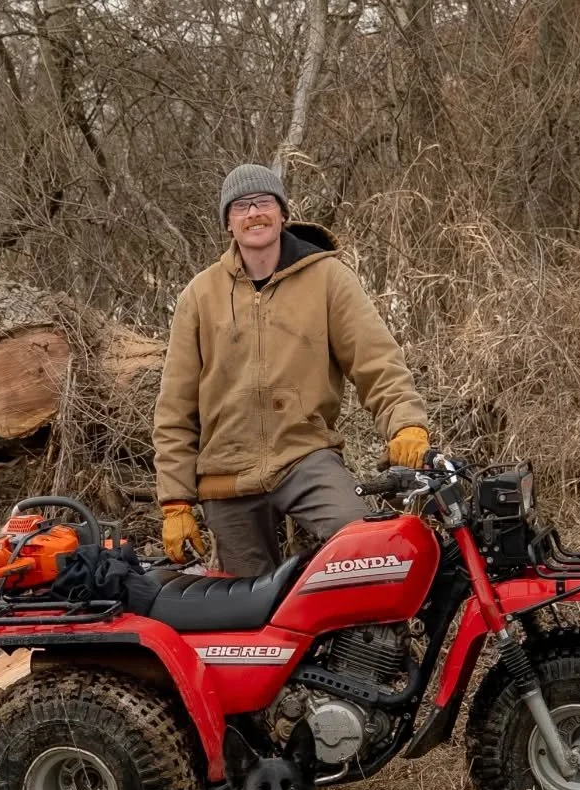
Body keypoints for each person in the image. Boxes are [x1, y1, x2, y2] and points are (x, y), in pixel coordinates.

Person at [153, 163, 429, 577]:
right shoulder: (200, 295)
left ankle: (378, 643)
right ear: (228, 223)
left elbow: (377, 362)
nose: (253, 214)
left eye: (263, 202)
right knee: (243, 613)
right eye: (241, 207)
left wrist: (406, 425)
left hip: (304, 457)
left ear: (283, 212)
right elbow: (175, 406)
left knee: (367, 552)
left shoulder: (328, 278)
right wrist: (175, 502)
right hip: (226, 472)